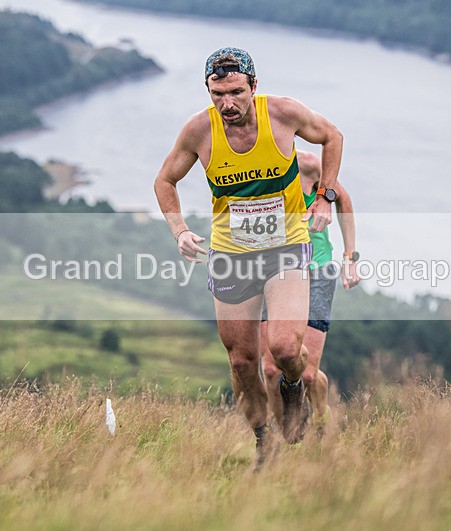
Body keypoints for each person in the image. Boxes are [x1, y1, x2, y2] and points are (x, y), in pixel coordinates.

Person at [153, 47, 343, 467]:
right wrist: (180, 230)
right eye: (217, 94)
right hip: (232, 254)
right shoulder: (199, 131)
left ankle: (294, 390)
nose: (227, 104)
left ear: (253, 86)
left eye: (236, 92)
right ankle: (264, 443)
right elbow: (165, 181)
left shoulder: (283, 114)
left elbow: (333, 136)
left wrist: (325, 197)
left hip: (286, 245)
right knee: (241, 361)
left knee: (285, 349)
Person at [261, 150, 360, 440]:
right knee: (269, 370)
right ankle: (289, 437)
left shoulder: (308, 164)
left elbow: (343, 201)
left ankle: (320, 416)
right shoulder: (246, 166)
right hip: (272, 271)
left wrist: (349, 257)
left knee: (306, 374)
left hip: (318, 269)